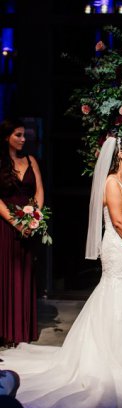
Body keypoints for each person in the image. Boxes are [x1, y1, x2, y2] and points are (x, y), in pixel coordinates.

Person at [0, 136, 122, 408]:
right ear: (120, 155)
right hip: (120, 246)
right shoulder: (111, 183)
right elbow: (118, 221)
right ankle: (116, 356)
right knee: (118, 291)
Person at [0, 118, 44, 347]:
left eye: (24, 135)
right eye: (18, 135)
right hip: (5, 226)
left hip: (27, 226)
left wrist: (34, 218)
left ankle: (21, 328)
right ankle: (4, 330)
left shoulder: (31, 160)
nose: (23, 139)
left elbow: (39, 191)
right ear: (7, 136)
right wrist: (15, 223)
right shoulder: (0, 162)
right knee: (5, 275)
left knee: (23, 275)